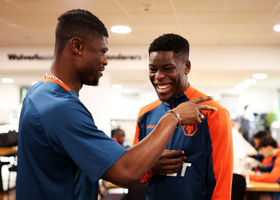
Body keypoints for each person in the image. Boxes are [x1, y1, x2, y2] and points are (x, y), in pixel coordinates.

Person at [16, 10, 217, 200]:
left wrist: (148, 161)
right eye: (102, 51)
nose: (105, 61)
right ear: (77, 46)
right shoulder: (59, 107)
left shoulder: (39, 93)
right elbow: (126, 172)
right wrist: (174, 117)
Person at [133, 33, 233, 200]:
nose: (158, 76)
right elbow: (136, 174)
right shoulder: (146, 114)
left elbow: (221, 183)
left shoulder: (213, 113)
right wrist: (152, 166)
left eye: (167, 68)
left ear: (186, 67)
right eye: (153, 69)